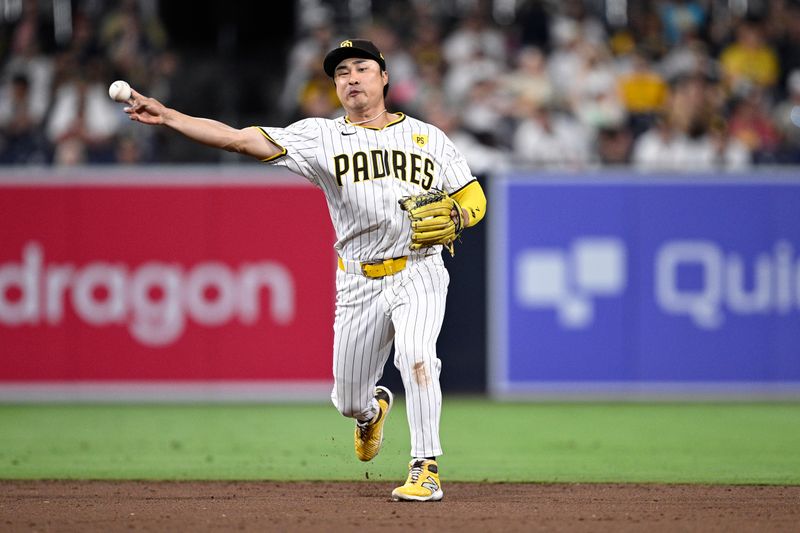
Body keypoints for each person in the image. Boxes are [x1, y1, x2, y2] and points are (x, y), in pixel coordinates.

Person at [123, 39, 487, 502]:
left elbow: (473, 197)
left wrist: (456, 216)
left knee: (417, 357)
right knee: (347, 400)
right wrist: (171, 117)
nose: (351, 77)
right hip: (358, 278)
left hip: (419, 268)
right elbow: (239, 139)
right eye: (341, 73)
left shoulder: (429, 138)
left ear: (384, 77)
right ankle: (370, 413)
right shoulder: (321, 136)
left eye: (362, 68)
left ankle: (425, 467)